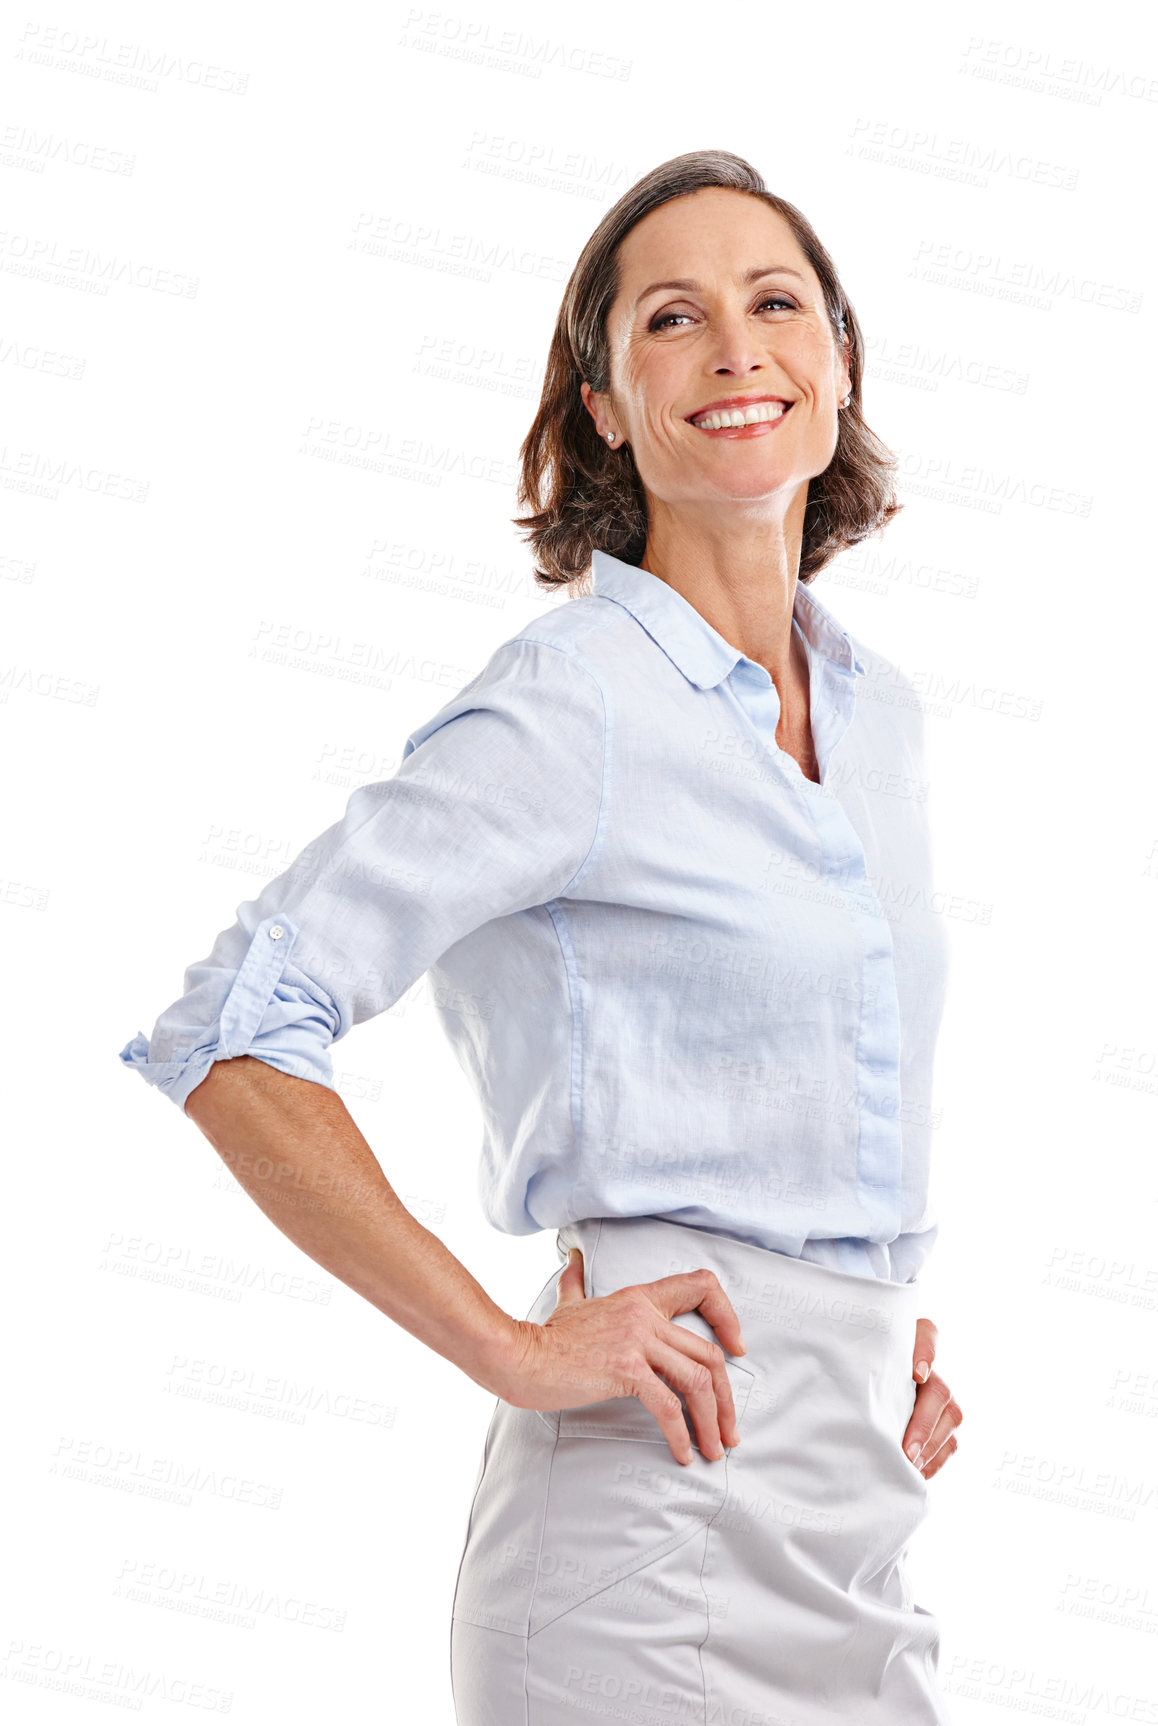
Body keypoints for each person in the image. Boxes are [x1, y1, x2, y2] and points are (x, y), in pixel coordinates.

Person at [119, 149, 963, 1722]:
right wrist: (513, 1349)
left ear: (839, 362)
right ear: (599, 404)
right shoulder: (571, 702)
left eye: (775, 302)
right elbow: (234, 1026)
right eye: (670, 318)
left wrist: (864, 1334)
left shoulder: (881, 716)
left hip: (855, 1517)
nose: (734, 348)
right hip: (644, 1537)